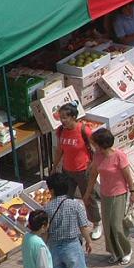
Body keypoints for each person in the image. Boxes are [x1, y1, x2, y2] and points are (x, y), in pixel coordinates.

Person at [84, 129, 134, 265]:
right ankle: (114, 252)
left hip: (119, 193)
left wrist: (133, 191)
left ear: (101, 144)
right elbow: (93, 175)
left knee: (117, 225)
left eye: (95, 144)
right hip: (105, 194)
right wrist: (88, 193)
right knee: (107, 226)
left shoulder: (119, 156)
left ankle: (126, 250)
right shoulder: (97, 156)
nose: (93, 146)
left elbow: (127, 176)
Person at [54, 103, 102, 241]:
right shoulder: (60, 131)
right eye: (61, 117)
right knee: (65, 199)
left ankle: (96, 223)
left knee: (88, 198)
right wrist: (54, 166)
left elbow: (97, 148)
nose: (62, 120)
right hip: (67, 171)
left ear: (74, 117)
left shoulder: (84, 131)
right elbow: (59, 150)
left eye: (65, 117)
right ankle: (71, 225)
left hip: (83, 171)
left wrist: (94, 165)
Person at [44, 173, 93, 268]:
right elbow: (83, 226)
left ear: (51, 191)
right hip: (72, 245)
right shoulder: (75, 205)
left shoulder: (46, 208)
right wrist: (88, 241)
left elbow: (45, 231)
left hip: (54, 246)